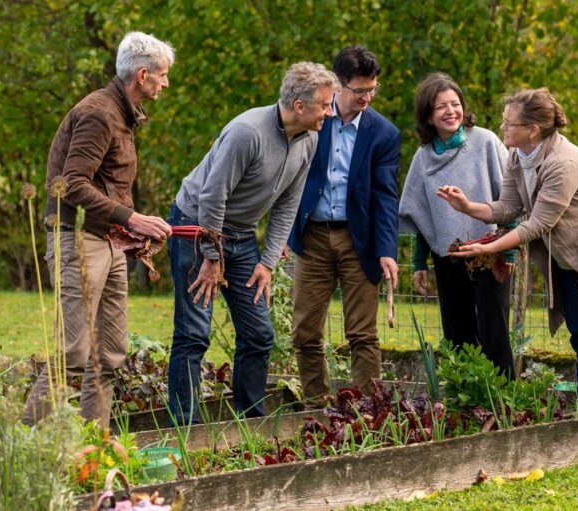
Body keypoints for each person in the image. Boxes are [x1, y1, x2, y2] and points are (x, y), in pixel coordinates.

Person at [438, 87, 578, 412]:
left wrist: (489, 247)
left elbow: (536, 224)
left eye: (509, 123)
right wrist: (467, 206)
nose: (503, 128)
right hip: (572, 246)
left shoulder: (564, 162)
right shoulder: (517, 157)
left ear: (533, 130)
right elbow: (509, 207)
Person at [168, 62, 339, 423]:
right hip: (196, 227)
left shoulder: (309, 139)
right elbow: (213, 196)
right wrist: (211, 257)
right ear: (299, 106)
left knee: (259, 334)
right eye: (325, 105)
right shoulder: (248, 133)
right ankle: (185, 431)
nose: (330, 111)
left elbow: (288, 203)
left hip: (241, 237)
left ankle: (249, 422)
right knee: (194, 333)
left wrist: (268, 261)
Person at [23, 32, 175, 427]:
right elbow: (72, 183)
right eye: (162, 75)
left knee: (108, 355)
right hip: (78, 239)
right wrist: (132, 218)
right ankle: (22, 450)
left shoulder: (123, 114)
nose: (165, 83)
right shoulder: (99, 113)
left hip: (110, 242)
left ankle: (96, 448)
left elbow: (107, 183)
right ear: (142, 75)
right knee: (73, 355)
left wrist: (132, 227)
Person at [287, 46, 401, 408]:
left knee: (362, 333)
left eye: (373, 89)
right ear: (338, 86)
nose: (367, 97)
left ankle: (368, 412)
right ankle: (315, 409)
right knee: (305, 332)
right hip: (313, 236)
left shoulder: (383, 133)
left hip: (359, 240)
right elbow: (287, 178)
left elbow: (386, 197)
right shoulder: (311, 119)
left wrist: (386, 250)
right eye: (359, 90)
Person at [399, 73, 515, 378]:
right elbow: (422, 215)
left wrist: (511, 252)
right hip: (448, 257)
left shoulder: (486, 142)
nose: (451, 112)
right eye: (441, 107)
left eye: (455, 104)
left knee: (494, 334)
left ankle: (505, 406)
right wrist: (418, 263)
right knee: (457, 334)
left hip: (491, 252)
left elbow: (512, 198)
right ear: (428, 115)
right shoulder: (423, 158)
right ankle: (469, 406)